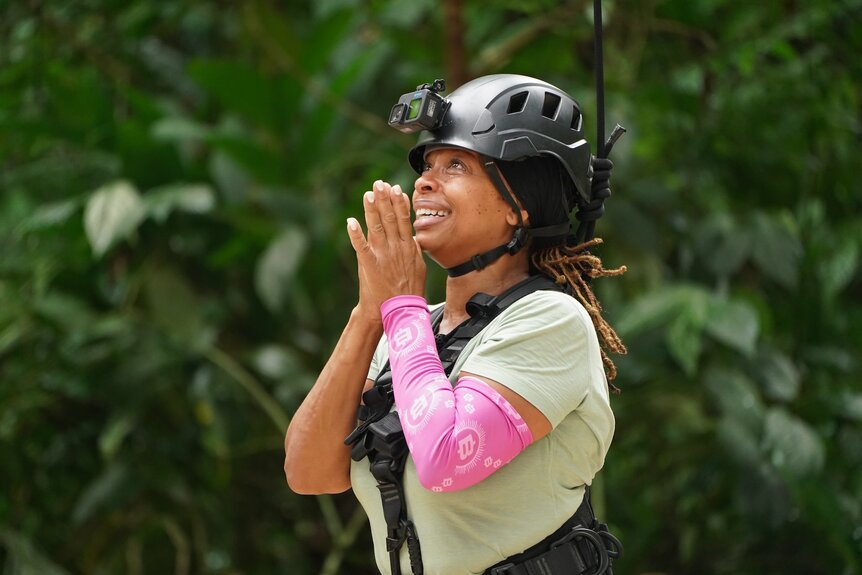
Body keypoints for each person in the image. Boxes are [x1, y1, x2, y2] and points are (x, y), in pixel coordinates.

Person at [284, 74, 626, 575]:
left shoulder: (551, 321)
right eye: (427, 164)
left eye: (457, 165)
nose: (424, 180)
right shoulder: (412, 333)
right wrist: (367, 316)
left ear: (518, 205)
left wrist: (400, 304)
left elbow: (447, 456)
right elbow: (309, 472)